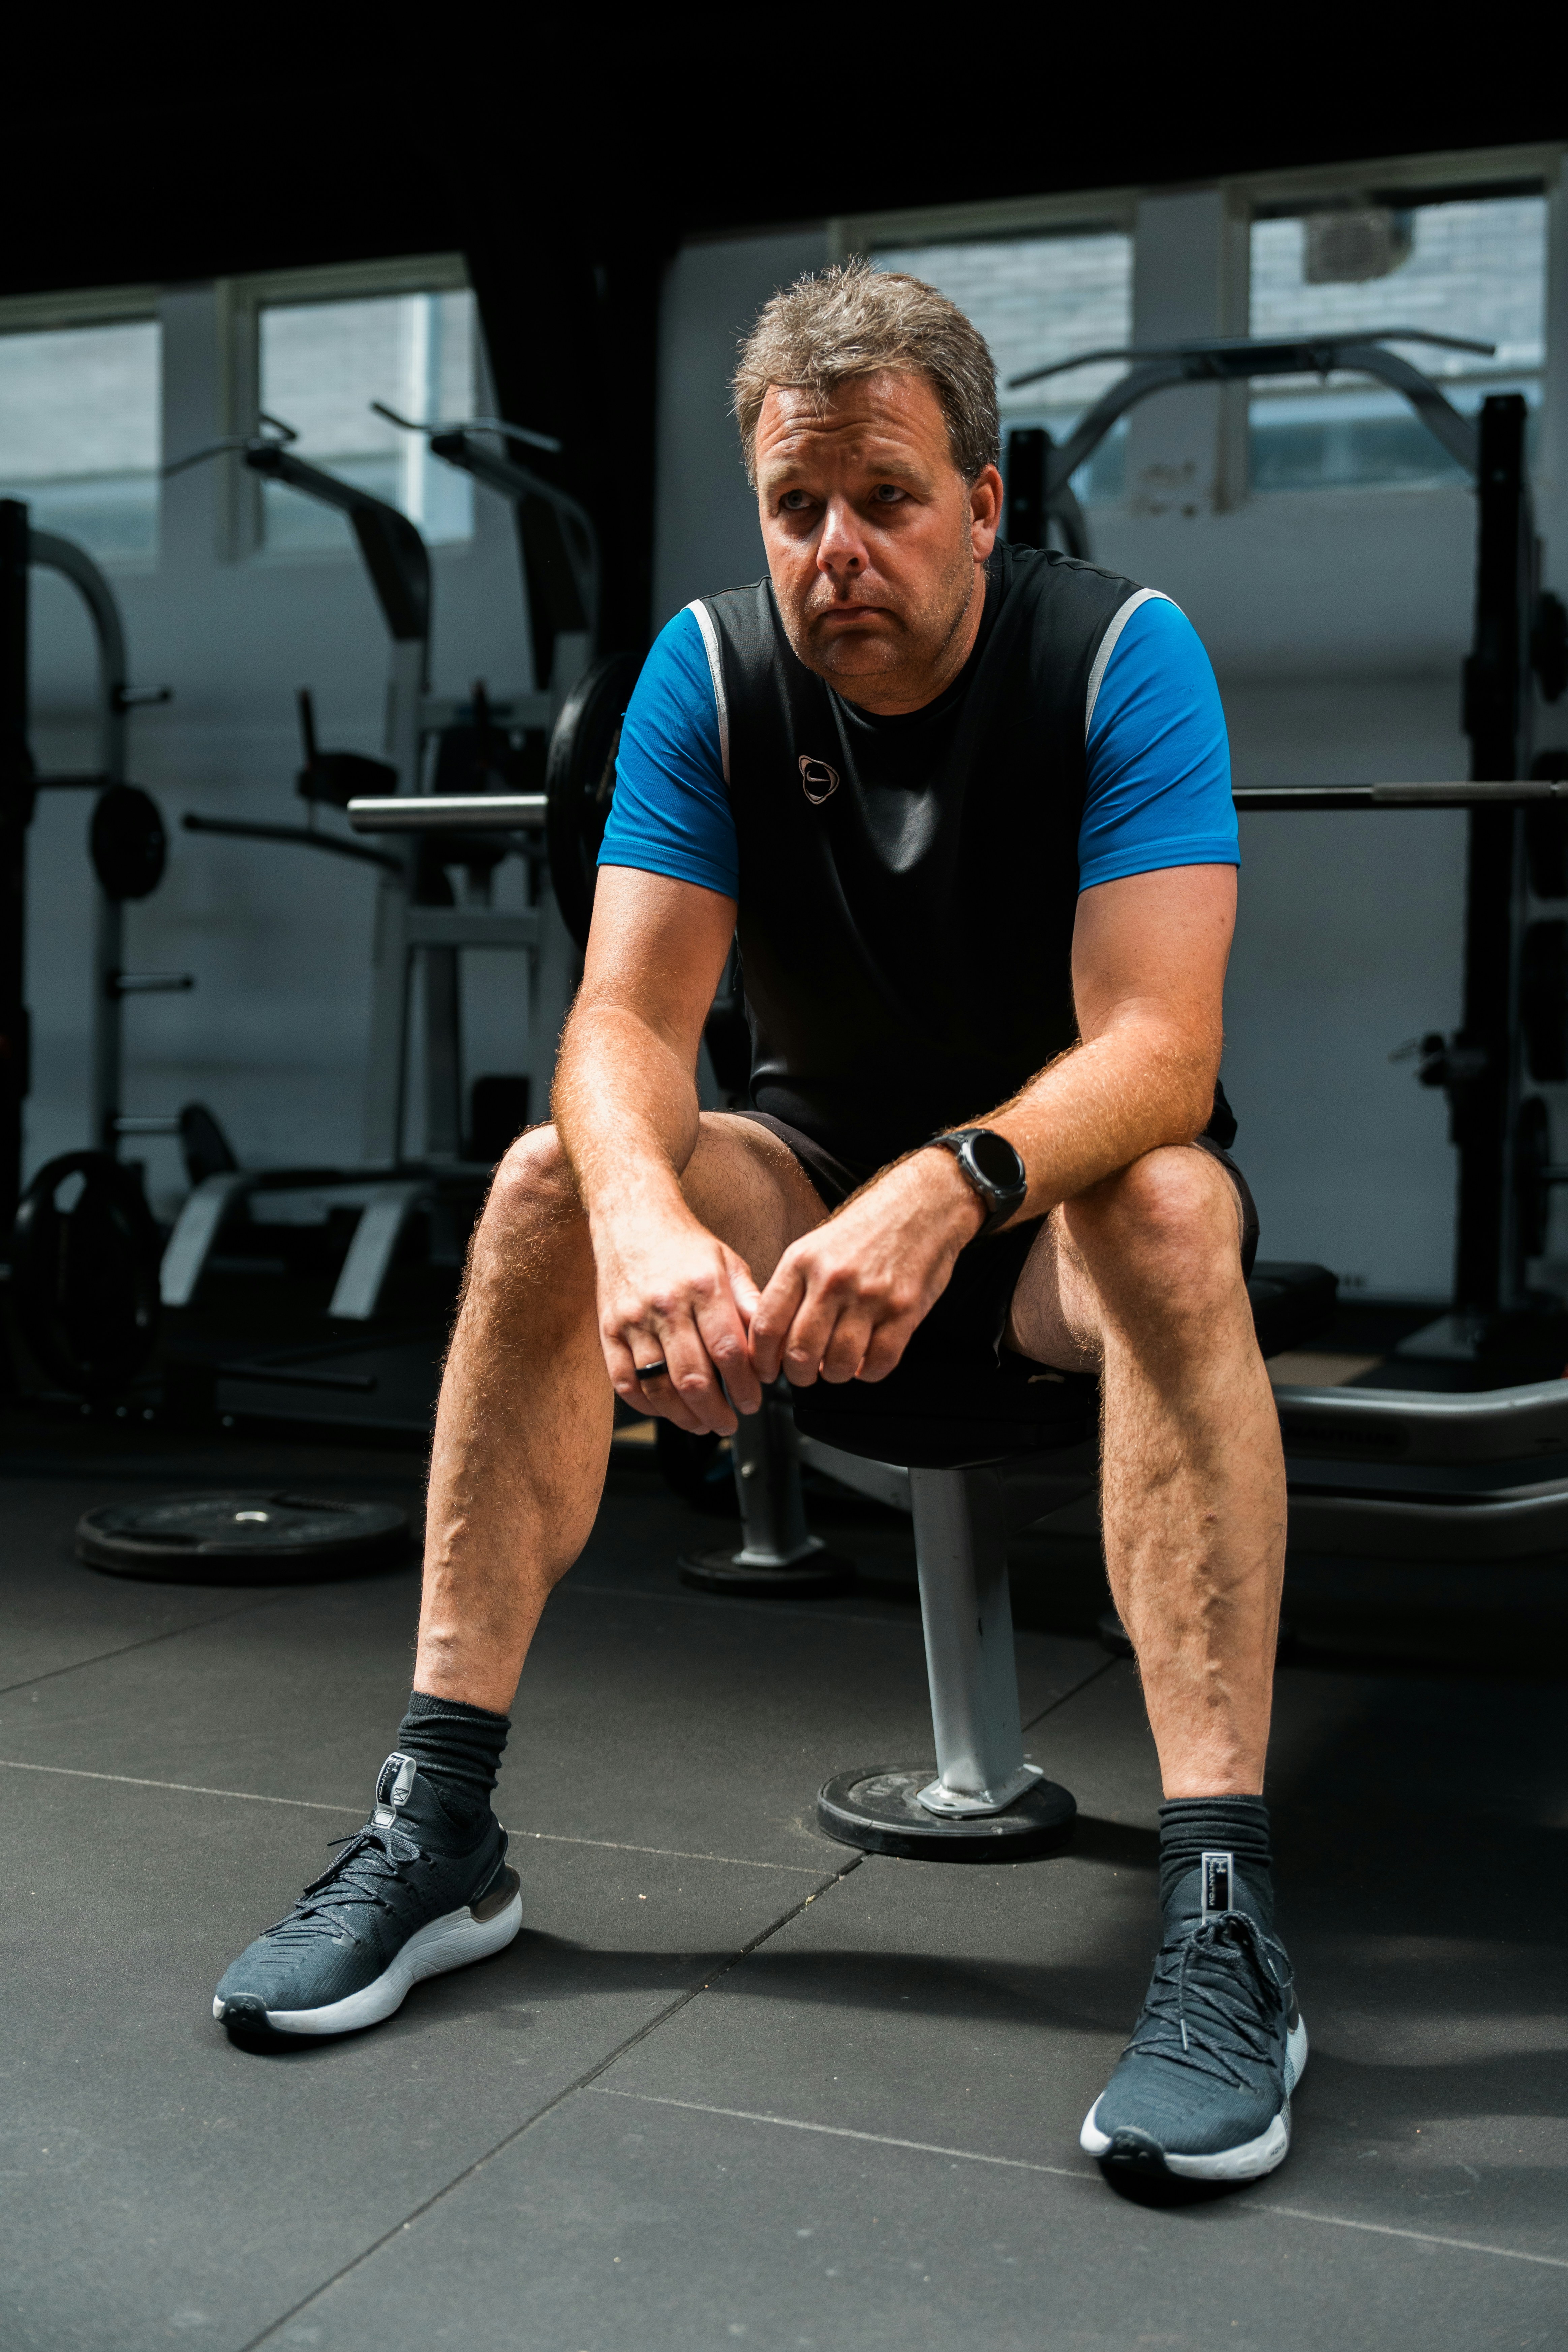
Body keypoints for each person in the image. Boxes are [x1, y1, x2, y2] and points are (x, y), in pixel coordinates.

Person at [215, 263, 1303, 2188]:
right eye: (797, 507)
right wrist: (644, 1220)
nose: (834, 549)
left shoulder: (1123, 656)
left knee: (1173, 1199)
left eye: (885, 498)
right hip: (801, 1197)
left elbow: (1160, 1046)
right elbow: (628, 1024)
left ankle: (1226, 1923)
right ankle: (437, 1824)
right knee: (551, 1184)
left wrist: (954, 1183)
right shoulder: (710, 675)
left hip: (1044, 1226)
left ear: (984, 500)